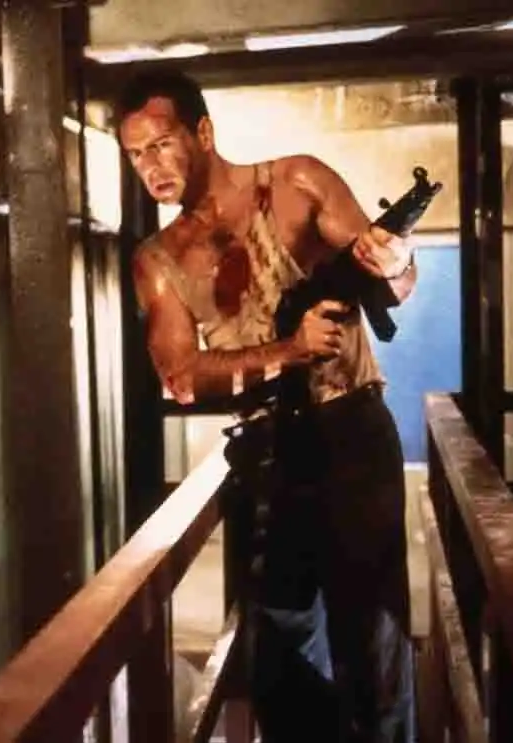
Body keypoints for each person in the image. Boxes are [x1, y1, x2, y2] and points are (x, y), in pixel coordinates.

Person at [115, 69, 418, 743]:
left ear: (203, 132)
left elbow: (392, 282)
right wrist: (288, 349)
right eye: (135, 155)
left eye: (161, 144)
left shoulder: (296, 183)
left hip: (351, 429)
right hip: (269, 450)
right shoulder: (160, 259)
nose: (151, 167)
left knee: (375, 642)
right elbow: (181, 376)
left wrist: (397, 259)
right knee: (283, 659)